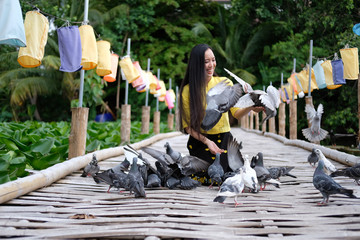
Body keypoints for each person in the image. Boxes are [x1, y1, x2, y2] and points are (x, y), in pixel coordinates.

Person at [178, 43, 263, 183]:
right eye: (206, 61)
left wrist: (251, 106)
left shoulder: (225, 83)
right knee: (206, 178)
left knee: (228, 177)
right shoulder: (188, 91)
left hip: (223, 140)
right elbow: (188, 127)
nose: (211, 64)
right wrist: (207, 142)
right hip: (200, 141)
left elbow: (236, 113)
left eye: (213, 60)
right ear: (196, 64)